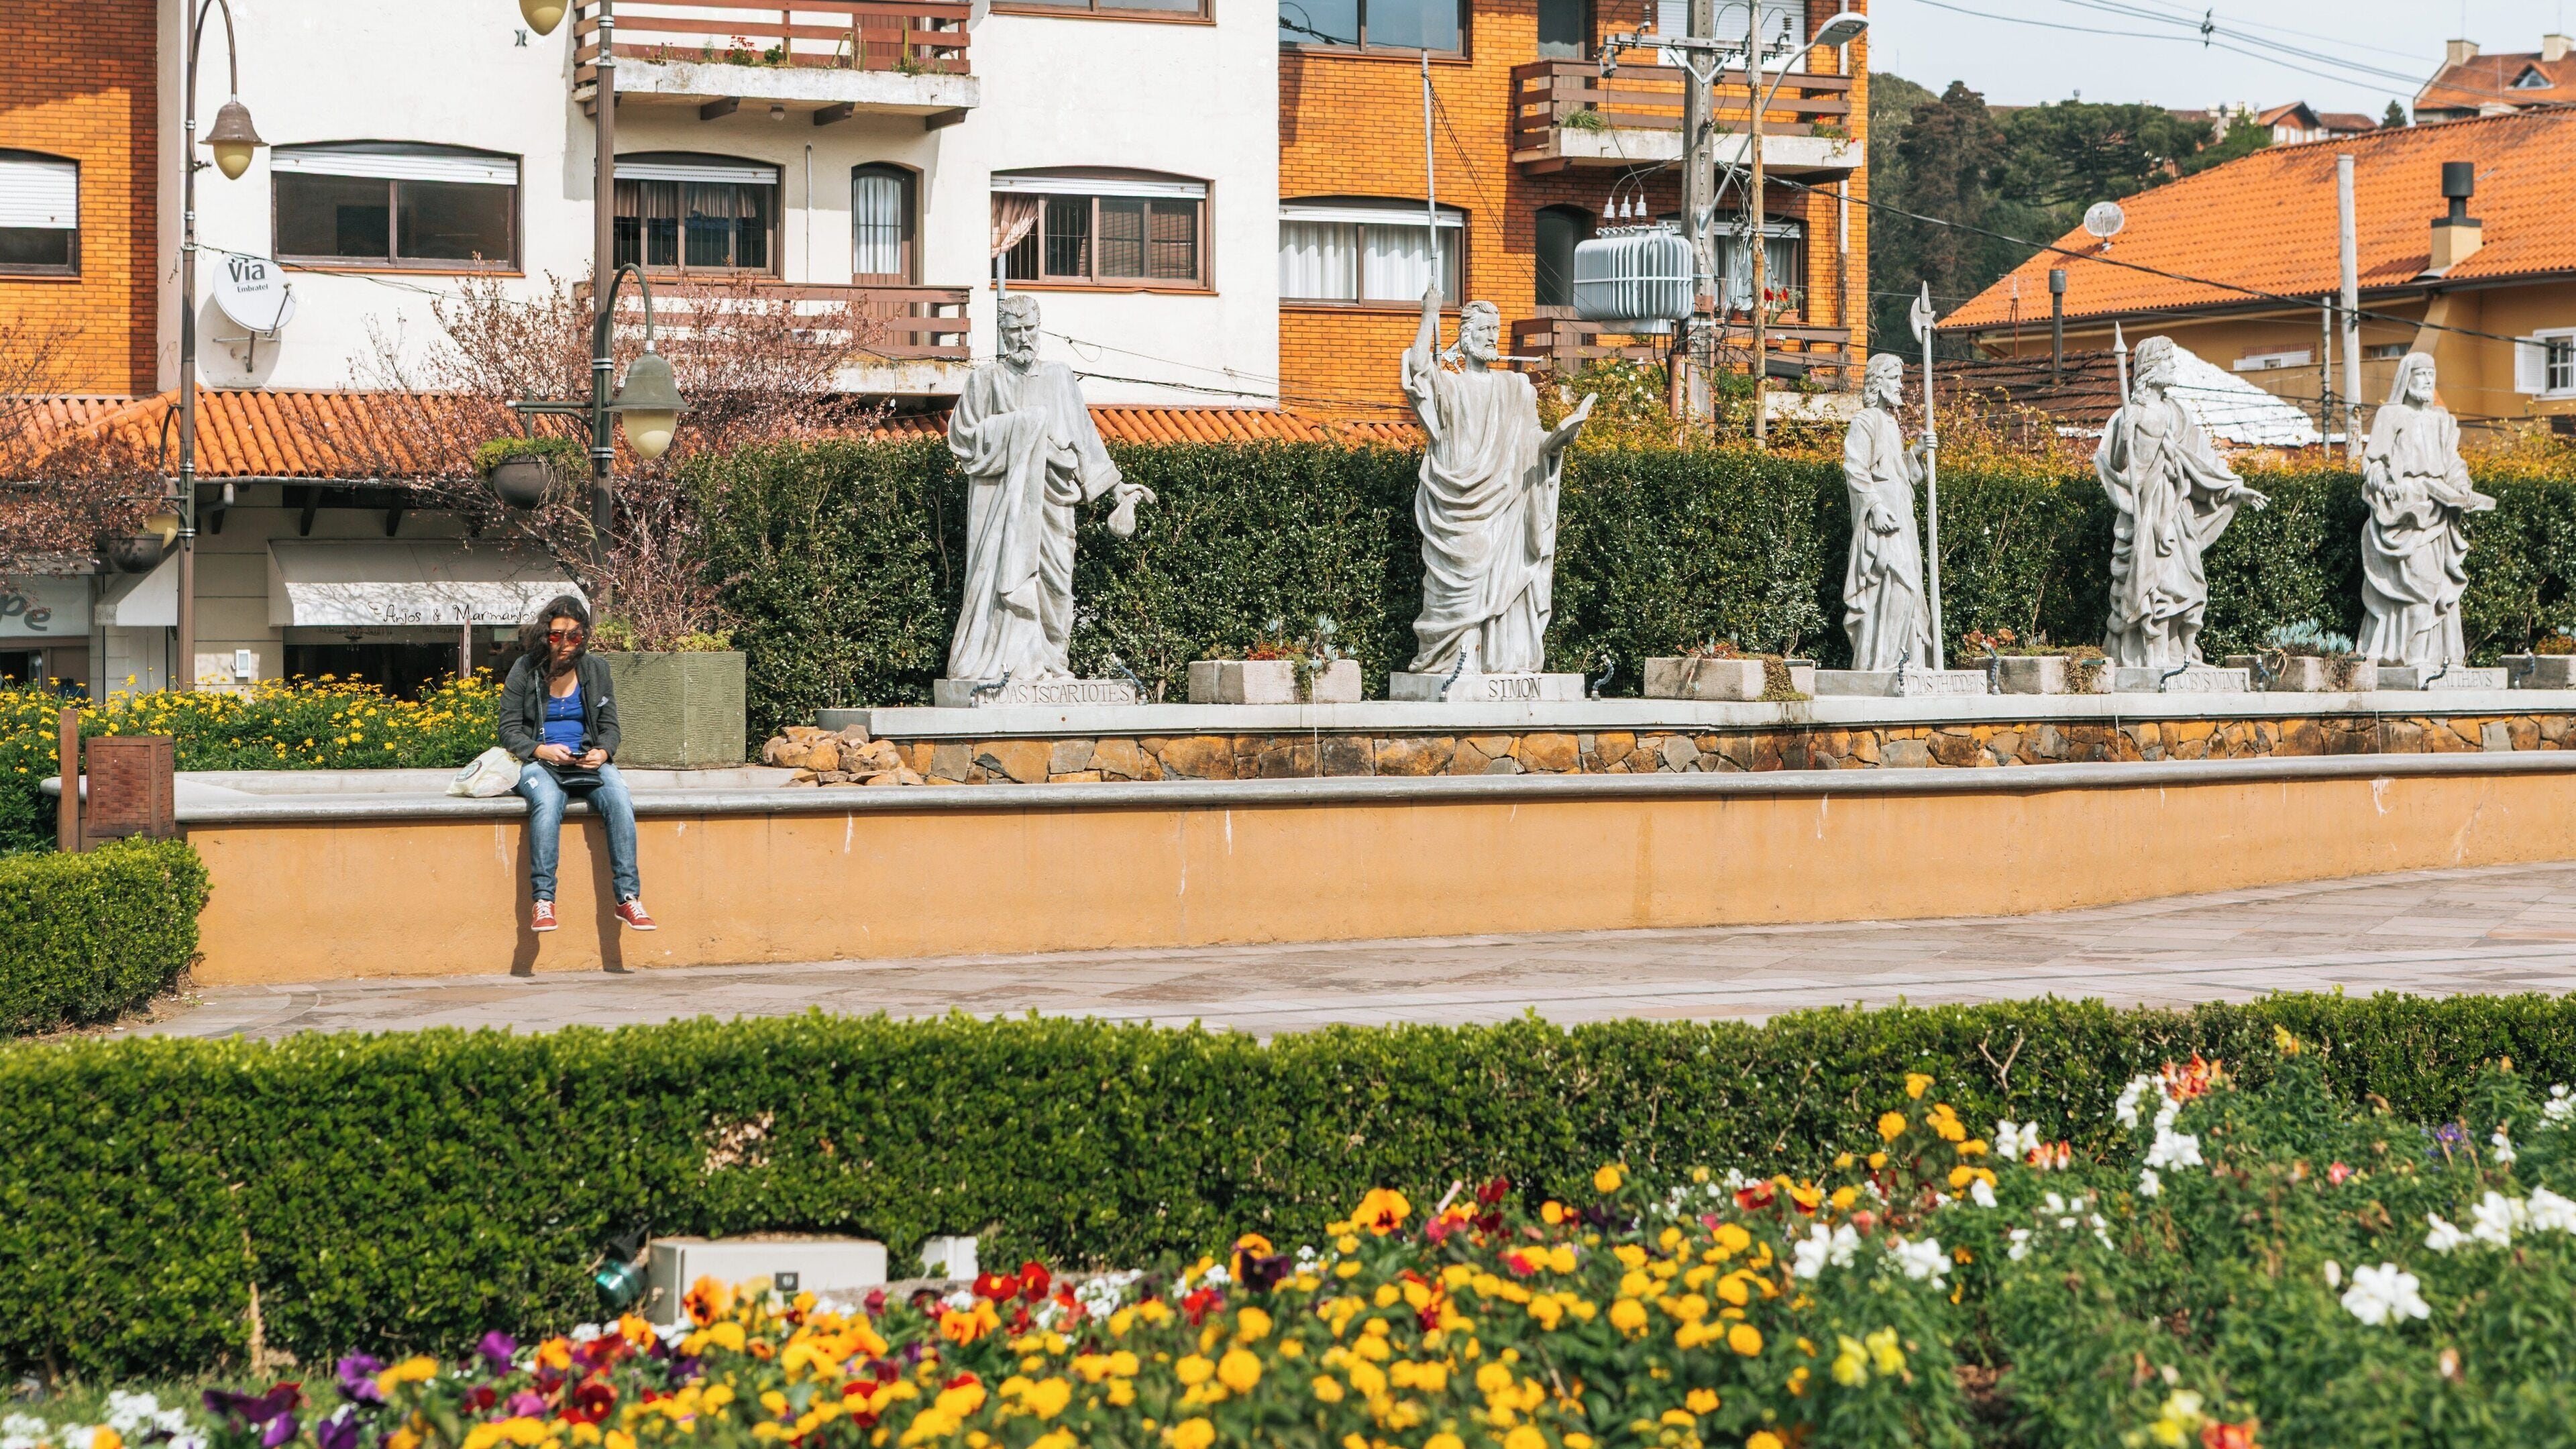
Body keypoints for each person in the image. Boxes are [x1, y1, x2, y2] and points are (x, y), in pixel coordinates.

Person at [944, 292, 1155, 682]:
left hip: (1054, 501)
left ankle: (1052, 664)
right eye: (1014, 331)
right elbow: (963, 438)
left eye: (1030, 329)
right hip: (1004, 508)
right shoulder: (985, 381)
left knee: (1057, 586)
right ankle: (1007, 666)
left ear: (1039, 330)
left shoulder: (1059, 376)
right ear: (1002, 334)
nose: (1023, 338)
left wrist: (1117, 488)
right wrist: (1024, 426)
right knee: (1007, 583)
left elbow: (1085, 439)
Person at [1402, 282, 1593, 674]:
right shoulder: (1450, 385)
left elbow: (1532, 443)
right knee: (1458, 582)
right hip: (1457, 509)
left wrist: (1557, 439)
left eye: (1495, 330)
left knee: (1504, 581)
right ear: (1466, 335)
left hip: (1505, 504)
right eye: (1485, 330)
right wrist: (1429, 313)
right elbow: (1419, 369)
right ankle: (1454, 660)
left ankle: (1498, 658)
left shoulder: (1516, 387)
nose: (1492, 337)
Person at [2095, 335, 2269, 667]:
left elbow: (2201, 460)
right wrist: (2126, 438)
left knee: (2191, 585)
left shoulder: (2178, 414)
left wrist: (2234, 489)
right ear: (2150, 368)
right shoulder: (2127, 415)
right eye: (2168, 360)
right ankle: (2155, 656)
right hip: (2147, 516)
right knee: (2155, 586)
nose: (2174, 366)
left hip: (2177, 514)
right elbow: (2115, 464)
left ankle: (2184, 654)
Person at [496, 595, 653, 933]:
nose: (565, 644)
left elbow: (610, 726)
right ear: (544, 635)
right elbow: (508, 730)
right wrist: (541, 750)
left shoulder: (596, 669)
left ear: (583, 636)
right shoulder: (525, 669)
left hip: (585, 761)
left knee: (620, 799)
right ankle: (543, 900)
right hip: (539, 762)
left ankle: (627, 898)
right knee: (548, 802)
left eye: (574, 636)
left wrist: (604, 752)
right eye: (556, 636)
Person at [2359, 352, 2494, 669]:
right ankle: (2405, 655)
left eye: (2432, 373)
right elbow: (2373, 461)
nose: (2428, 380)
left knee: (2437, 585)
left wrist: (2463, 488)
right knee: (2419, 582)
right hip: (2405, 511)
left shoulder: (2442, 420)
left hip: (2439, 512)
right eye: (2421, 373)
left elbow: (2454, 463)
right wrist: (2384, 483)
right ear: (2407, 379)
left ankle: (2433, 657)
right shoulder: (2391, 415)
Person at [1841, 353, 1933, 671]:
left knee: (1909, 587)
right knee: (1899, 582)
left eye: (1901, 380)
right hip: (1881, 519)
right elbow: (1855, 469)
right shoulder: (1864, 421)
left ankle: (1904, 661)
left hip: (1902, 516)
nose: (1900, 386)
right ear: (1878, 382)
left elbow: (1898, 475)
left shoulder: (1891, 424)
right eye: (1895, 379)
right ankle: (1882, 663)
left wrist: (1916, 453)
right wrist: (1875, 507)